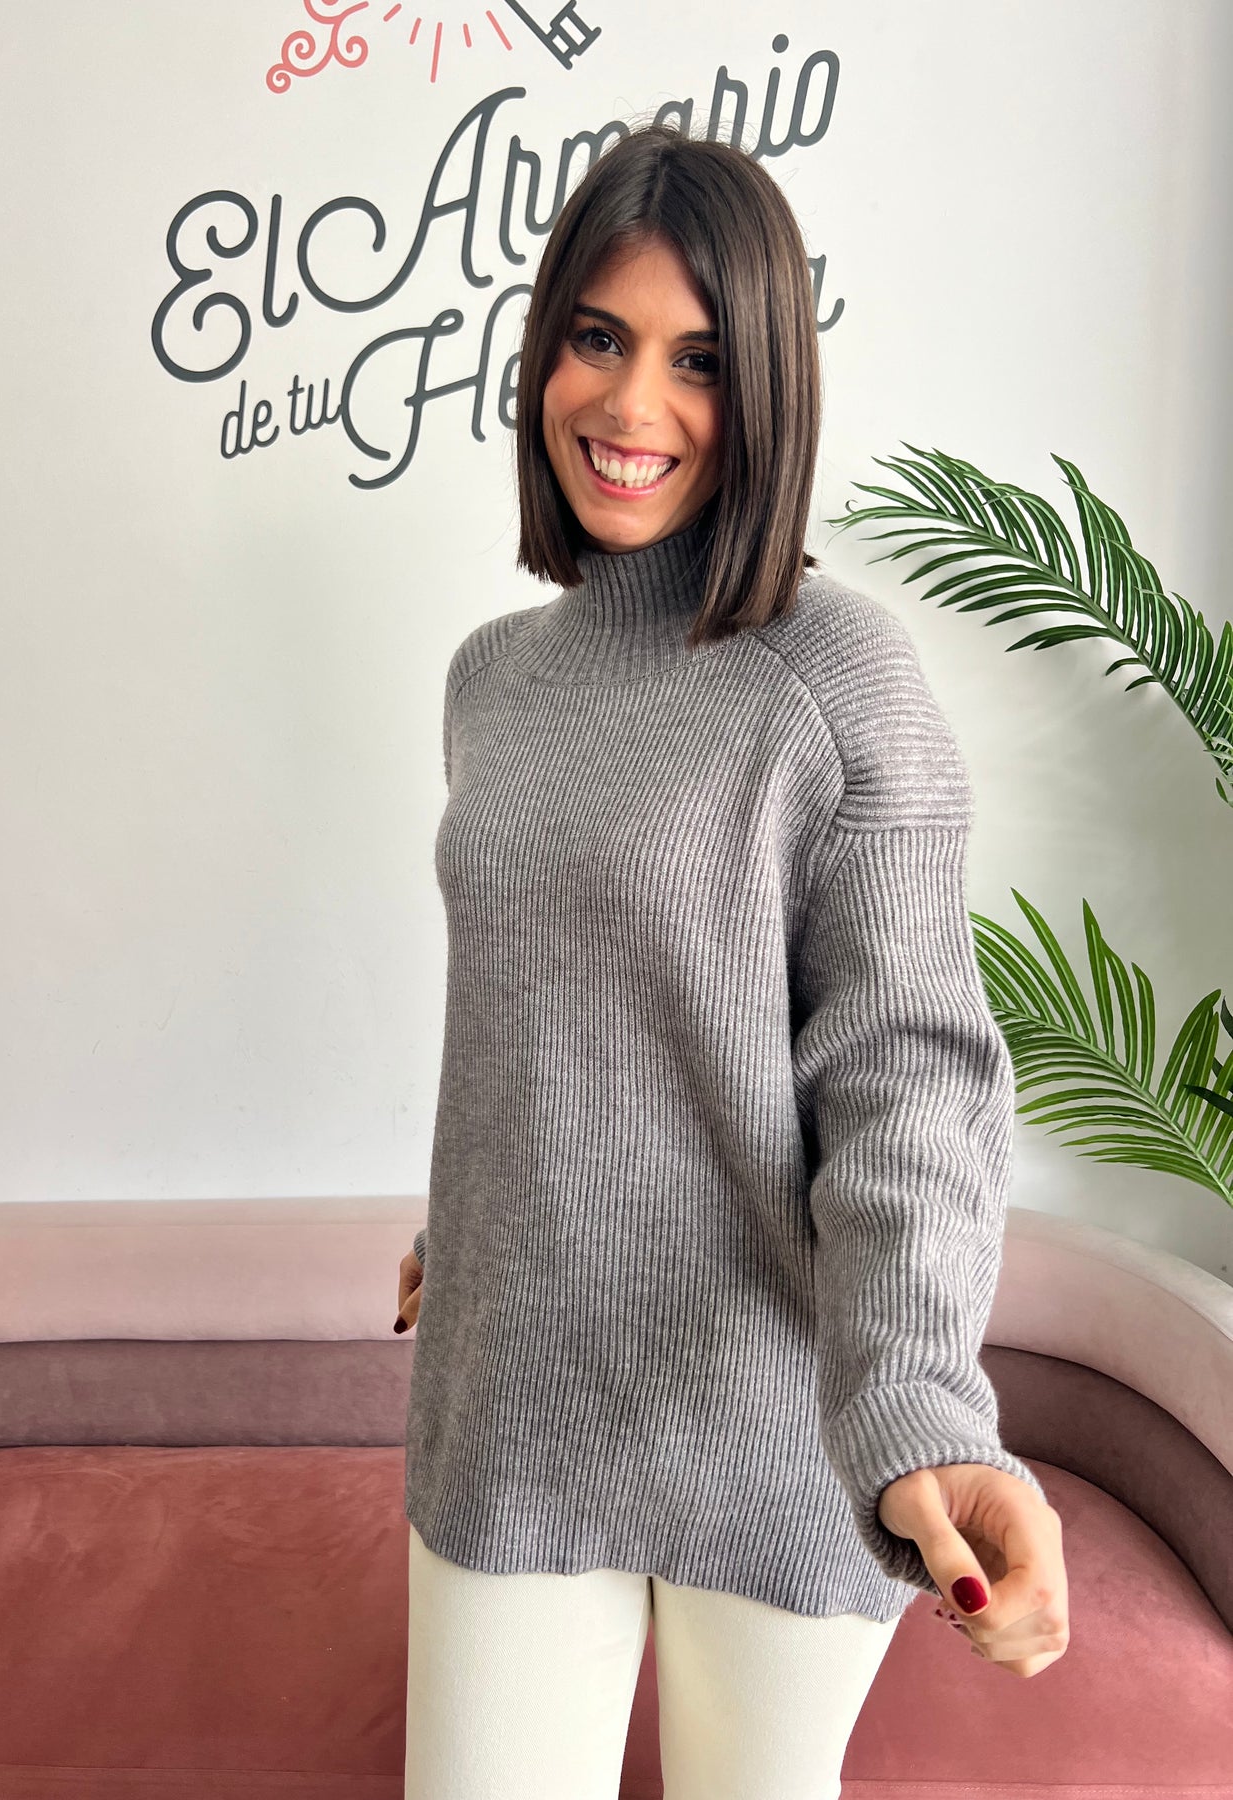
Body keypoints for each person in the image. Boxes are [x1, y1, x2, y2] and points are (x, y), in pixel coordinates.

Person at [393, 120, 1069, 1799]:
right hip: (514, 1398)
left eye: (696, 359)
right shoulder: (491, 678)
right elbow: (559, 1002)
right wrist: (471, 1226)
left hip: (774, 1420)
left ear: (764, 384)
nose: (632, 406)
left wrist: (919, 1408)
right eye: (597, 338)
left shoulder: (835, 677)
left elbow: (908, 1072)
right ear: (541, 353)